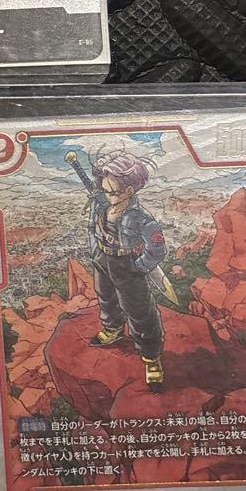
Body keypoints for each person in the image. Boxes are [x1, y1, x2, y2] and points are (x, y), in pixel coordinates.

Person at [85, 151, 167, 388]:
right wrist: (96, 253)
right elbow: (92, 229)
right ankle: (112, 328)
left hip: (127, 264)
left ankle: (151, 357)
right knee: (106, 297)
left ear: (129, 190)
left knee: (139, 310)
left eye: (112, 192)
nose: (107, 195)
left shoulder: (141, 218)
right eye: (104, 190)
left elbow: (157, 249)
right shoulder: (100, 204)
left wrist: (139, 266)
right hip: (103, 260)